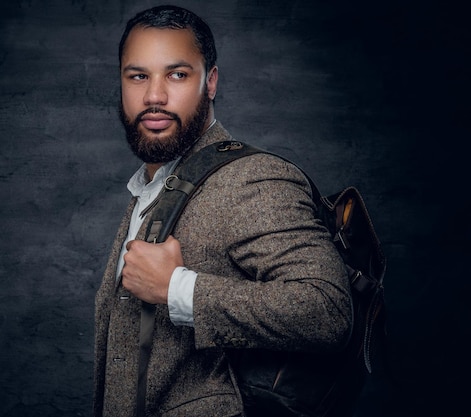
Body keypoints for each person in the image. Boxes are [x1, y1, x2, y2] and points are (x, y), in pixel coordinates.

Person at [93, 5, 352, 417]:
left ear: (210, 82)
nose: (154, 96)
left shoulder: (252, 179)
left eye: (177, 74)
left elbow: (328, 310)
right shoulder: (153, 185)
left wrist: (177, 288)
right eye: (138, 75)